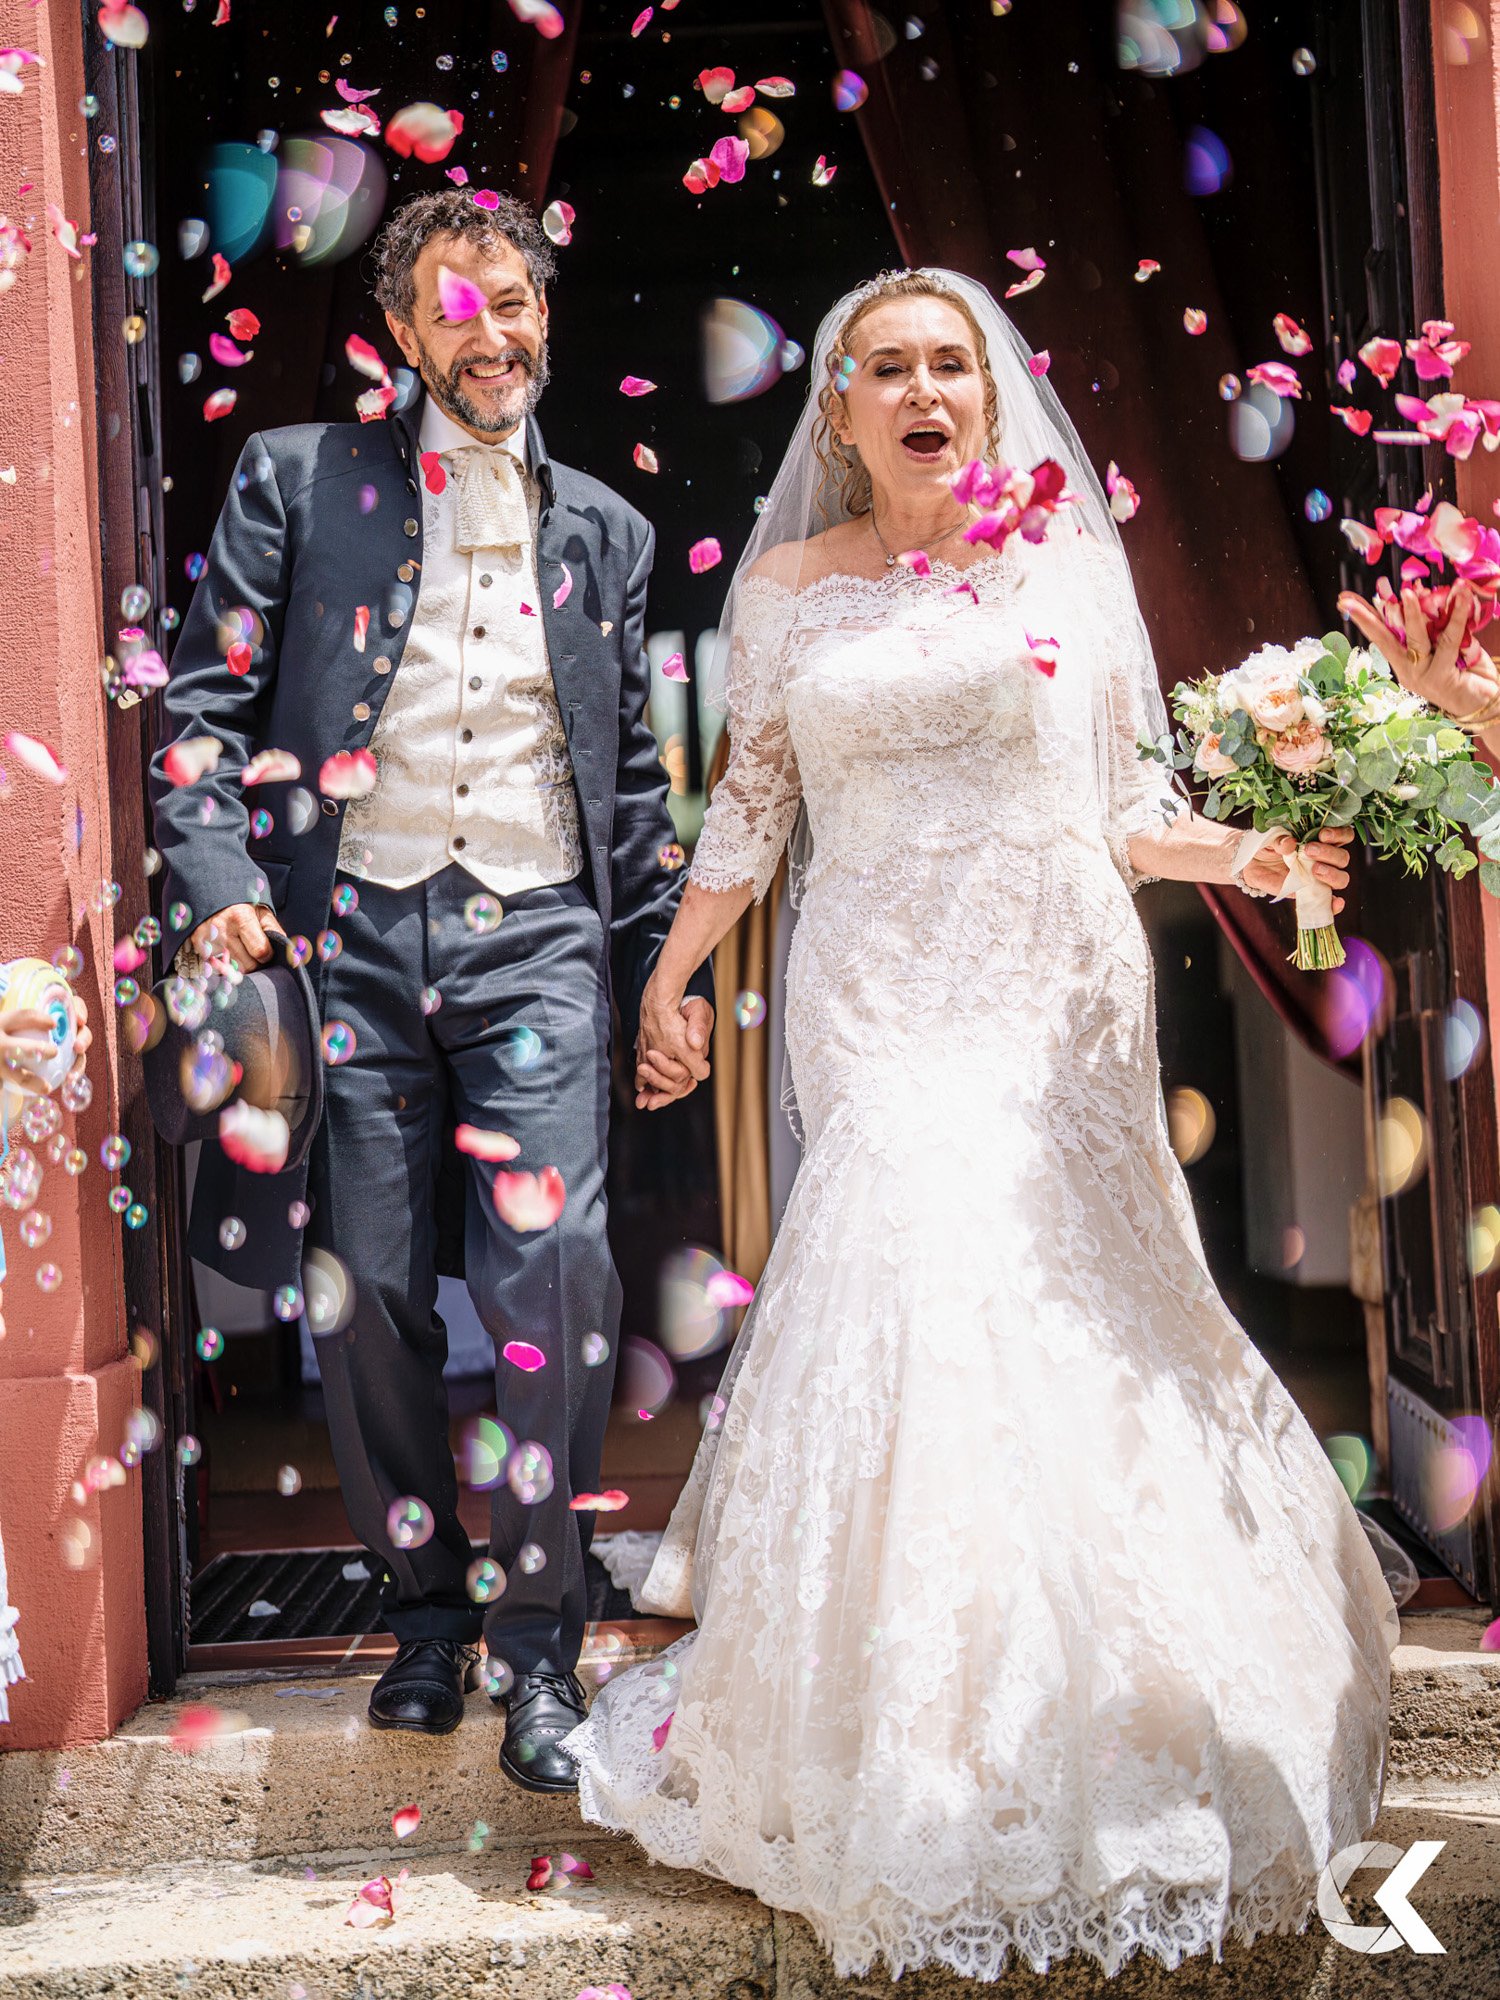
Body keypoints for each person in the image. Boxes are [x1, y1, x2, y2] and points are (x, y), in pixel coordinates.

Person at [564, 269, 1400, 1982]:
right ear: (844, 413)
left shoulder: (1069, 572)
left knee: (1073, 1309)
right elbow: (754, 806)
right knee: (907, 1278)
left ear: (993, 396)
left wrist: (1248, 855)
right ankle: (911, 1728)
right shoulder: (784, 590)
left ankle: (1102, 1707)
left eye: (954, 361)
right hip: (874, 995)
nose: (925, 388)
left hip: (1052, 996)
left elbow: (1124, 804)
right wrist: (671, 981)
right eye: (890, 369)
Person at [149, 188, 712, 1792]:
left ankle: (538, 1643)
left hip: (537, 935)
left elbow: (624, 792)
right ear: (404, 333)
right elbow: (195, 719)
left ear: (546, 315)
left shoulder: (609, 530)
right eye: (458, 309)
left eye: (516, 303)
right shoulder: (296, 479)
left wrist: (658, 975)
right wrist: (229, 895)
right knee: (375, 1289)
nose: (494, 334)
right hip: (354, 940)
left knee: (557, 1281)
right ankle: (420, 1614)